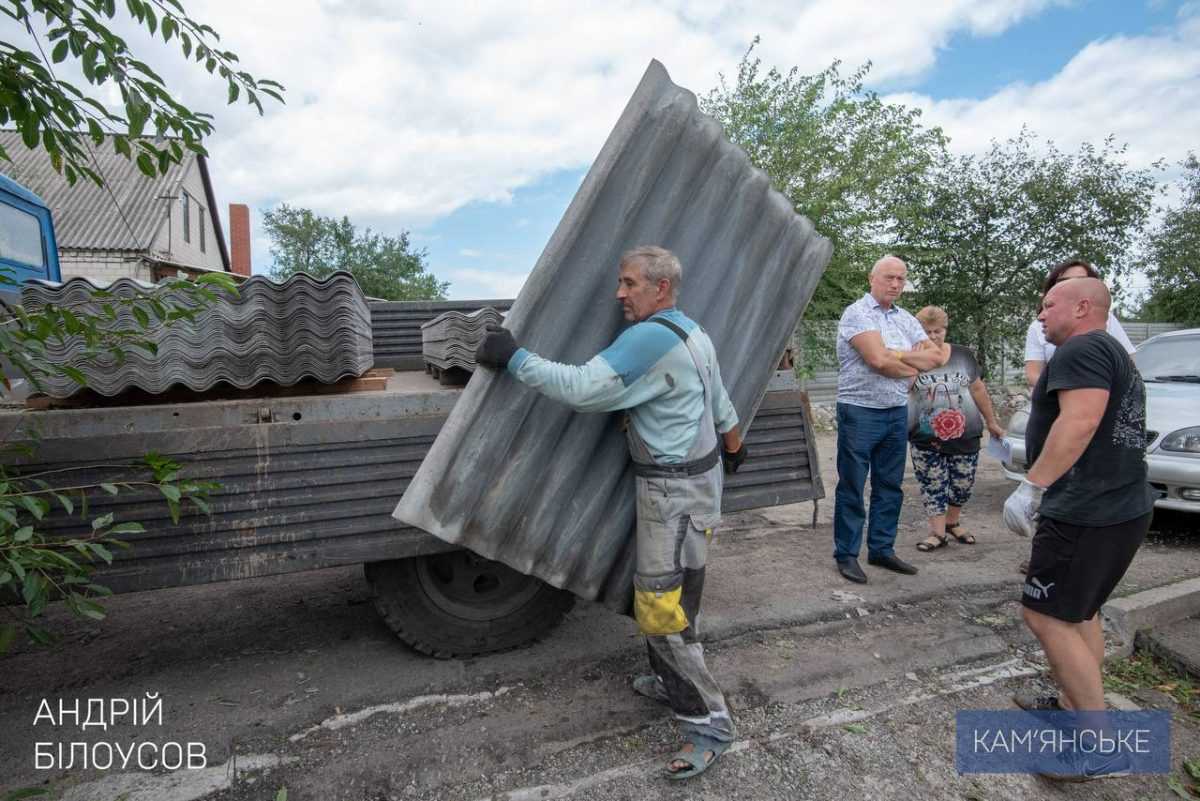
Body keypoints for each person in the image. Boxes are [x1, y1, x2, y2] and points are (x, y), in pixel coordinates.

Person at [474, 246, 745, 780]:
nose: (619, 293)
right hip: (694, 485)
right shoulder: (693, 330)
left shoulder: (647, 338)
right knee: (677, 592)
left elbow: (583, 389)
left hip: (673, 493)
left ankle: (709, 726)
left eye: (629, 283)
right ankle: (671, 680)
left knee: (663, 610)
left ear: (660, 288)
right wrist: (734, 446)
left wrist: (515, 358)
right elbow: (721, 403)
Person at [1003, 277, 1153, 780]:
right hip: (1121, 507)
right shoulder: (1113, 351)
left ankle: (1101, 748)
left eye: (1048, 306)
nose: (1040, 316)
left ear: (1083, 307)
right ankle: (1075, 704)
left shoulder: (1082, 348)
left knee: (1044, 616)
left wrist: (1032, 487)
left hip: (1088, 510)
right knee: (1080, 610)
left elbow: (1081, 421)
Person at [833, 255, 948, 584]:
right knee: (853, 485)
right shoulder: (857, 314)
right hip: (859, 410)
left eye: (901, 279)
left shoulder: (906, 319)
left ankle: (881, 548)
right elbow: (877, 360)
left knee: (889, 486)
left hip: (896, 411)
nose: (895, 284)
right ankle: (846, 554)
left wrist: (897, 357)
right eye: (889, 278)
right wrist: (909, 363)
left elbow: (936, 357)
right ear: (872, 278)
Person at [907, 306, 1005, 553]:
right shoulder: (911, 356)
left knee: (962, 483)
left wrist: (992, 422)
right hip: (925, 435)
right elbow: (903, 391)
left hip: (966, 431)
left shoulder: (963, 355)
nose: (932, 337)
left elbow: (978, 389)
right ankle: (937, 533)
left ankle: (952, 522)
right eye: (926, 332)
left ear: (945, 329)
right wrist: (915, 365)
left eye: (937, 331)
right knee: (933, 484)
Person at [1023, 260, 1134, 387]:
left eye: (1080, 280)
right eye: (1064, 280)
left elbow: (1129, 364)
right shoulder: (1037, 326)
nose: (1041, 317)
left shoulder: (1108, 321)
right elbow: (1033, 374)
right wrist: (1053, 394)